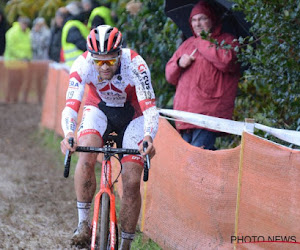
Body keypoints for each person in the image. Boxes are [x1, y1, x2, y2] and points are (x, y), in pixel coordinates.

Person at [60, 25, 159, 248]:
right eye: (99, 61)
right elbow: (71, 105)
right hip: (99, 111)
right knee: (85, 154)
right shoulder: (82, 63)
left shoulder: (135, 64)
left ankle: (125, 244)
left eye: (110, 61)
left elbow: (150, 109)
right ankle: (83, 224)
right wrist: (68, 134)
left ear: (119, 55)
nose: (104, 67)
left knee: (132, 181)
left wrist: (148, 137)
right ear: (91, 57)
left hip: (134, 116)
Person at [165, 0, 240, 150]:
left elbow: (227, 62)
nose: (197, 23)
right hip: (185, 115)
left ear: (212, 19)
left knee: (196, 159)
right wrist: (179, 63)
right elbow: (169, 76)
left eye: (202, 18)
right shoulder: (187, 44)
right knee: (188, 159)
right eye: (194, 19)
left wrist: (202, 42)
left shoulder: (227, 41)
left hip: (207, 114)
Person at [4, 16, 32, 103]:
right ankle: (8, 98)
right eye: (24, 23)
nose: (25, 26)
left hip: (23, 63)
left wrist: (28, 57)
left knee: (19, 82)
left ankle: (15, 98)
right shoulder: (12, 32)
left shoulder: (28, 32)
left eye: (26, 24)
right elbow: (11, 48)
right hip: (12, 62)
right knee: (11, 81)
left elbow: (28, 47)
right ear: (20, 23)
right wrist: (22, 56)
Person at [22, 17, 51, 103]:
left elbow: (44, 44)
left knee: (40, 81)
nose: (38, 26)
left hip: (42, 61)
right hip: (33, 61)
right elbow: (31, 44)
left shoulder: (46, 33)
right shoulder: (32, 32)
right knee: (28, 79)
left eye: (40, 25)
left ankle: (40, 98)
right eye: (37, 24)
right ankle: (24, 98)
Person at [61, 1, 89, 67]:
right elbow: (82, 45)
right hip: (80, 66)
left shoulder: (69, 25)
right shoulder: (73, 26)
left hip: (75, 65)